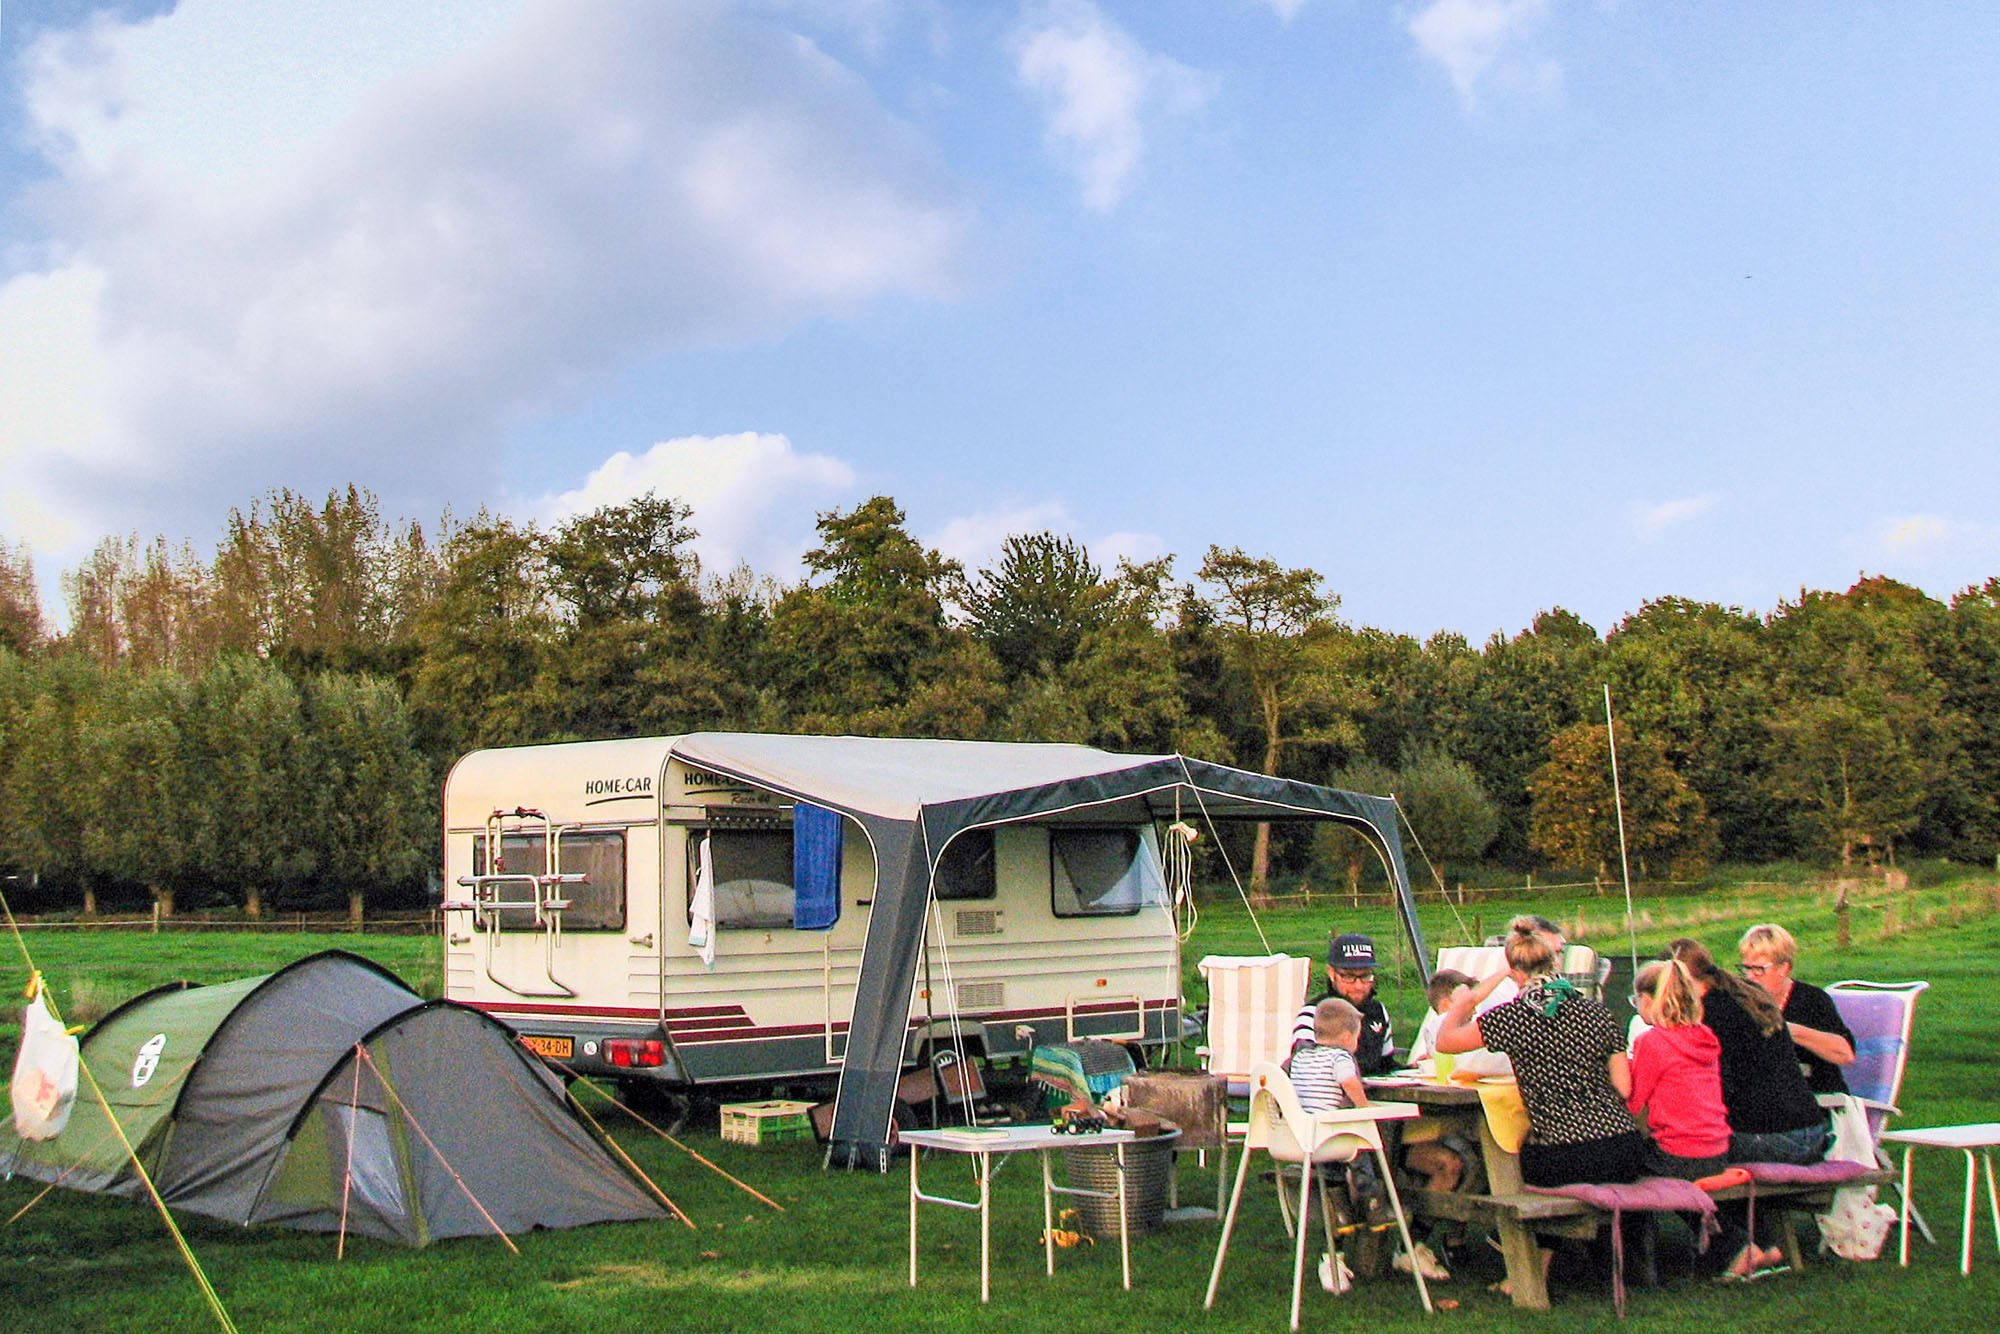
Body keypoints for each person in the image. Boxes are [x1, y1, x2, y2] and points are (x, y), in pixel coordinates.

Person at [1437, 916, 1643, 1188]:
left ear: (1516, 972)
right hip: (1622, 1148)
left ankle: (1515, 1229)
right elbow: (1623, 1088)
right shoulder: (1598, 1013)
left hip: (1564, 1152)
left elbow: (1445, 1041)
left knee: (1521, 1155)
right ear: (1554, 963)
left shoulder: (1512, 1018)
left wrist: (1472, 997)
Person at [1667, 938, 1831, 1166]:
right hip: (1811, 1131)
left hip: (1770, 1136)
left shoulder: (1708, 1016)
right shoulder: (1749, 993)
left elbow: (1715, 1088)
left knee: (1673, 1153)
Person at [1286, 997, 1393, 1231]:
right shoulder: (1340, 1056)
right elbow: (1349, 1082)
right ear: (1347, 1038)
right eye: (1357, 1037)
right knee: (1362, 1147)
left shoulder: (1300, 1057)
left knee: (1333, 1168)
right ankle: (1373, 1204)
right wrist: (1364, 1106)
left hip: (1303, 1134)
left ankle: (1342, 1213)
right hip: (1331, 1132)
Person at [1626, 959, 1730, 1181]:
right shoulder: (1704, 1036)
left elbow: (1633, 1103)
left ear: (1647, 1000)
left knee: (1616, 1163)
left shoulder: (1652, 1041)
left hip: (1676, 1155)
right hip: (1718, 1153)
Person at [1738, 923, 1855, 1095]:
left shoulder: (1812, 1000)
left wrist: (1786, 1030)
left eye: (1758, 969)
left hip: (1817, 1100)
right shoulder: (1741, 1002)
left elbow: (1845, 1053)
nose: (1749, 977)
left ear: (1784, 968)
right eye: (1746, 968)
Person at [1293, 933, 1396, 1075]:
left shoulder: (1378, 1011)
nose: (1359, 986)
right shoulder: (1313, 1014)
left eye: (1365, 976)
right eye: (1348, 977)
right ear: (1331, 973)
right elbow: (1304, 1070)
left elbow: (1387, 1065)